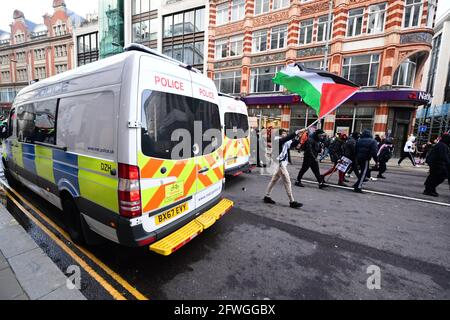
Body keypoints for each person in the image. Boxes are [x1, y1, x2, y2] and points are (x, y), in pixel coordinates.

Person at [264, 129, 304, 209]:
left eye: (286, 133)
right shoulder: (278, 140)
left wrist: (298, 136)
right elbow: (286, 138)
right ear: (279, 134)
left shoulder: (285, 142)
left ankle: (267, 196)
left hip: (281, 163)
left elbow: (293, 144)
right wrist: (296, 132)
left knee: (274, 180)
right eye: (283, 133)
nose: (285, 134)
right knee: (287, 182)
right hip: (280, 163)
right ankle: (292, 201)